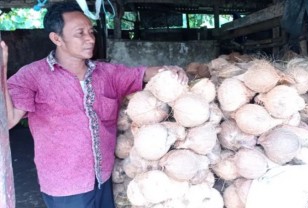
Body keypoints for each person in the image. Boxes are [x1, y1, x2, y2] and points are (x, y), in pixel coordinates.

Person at [0, 2, 187, 208]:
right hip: (66, 187)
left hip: (102, 178)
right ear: (57, 38)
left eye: (91, 31)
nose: (90, 38)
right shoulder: (32, 76)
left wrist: (169, 69)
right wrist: (2, 71)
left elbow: (142, 73)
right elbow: (7, 120)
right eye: (80, 33)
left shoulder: (106, 73)